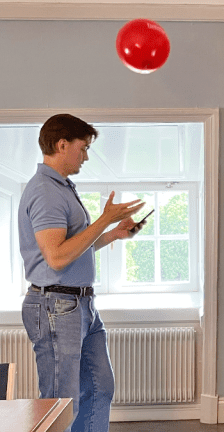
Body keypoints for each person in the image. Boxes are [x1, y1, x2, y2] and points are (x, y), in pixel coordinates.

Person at [19, 114, 147, 432]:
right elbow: (57, 257)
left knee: (100, 388)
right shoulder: (46, 192)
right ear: (63, 145)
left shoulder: (61, 188)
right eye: (84, 147)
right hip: (56, 307)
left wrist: (114, 233)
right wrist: (103, 220)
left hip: (81, 307)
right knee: (60, 403)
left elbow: (72, 247)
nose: (86, 156)